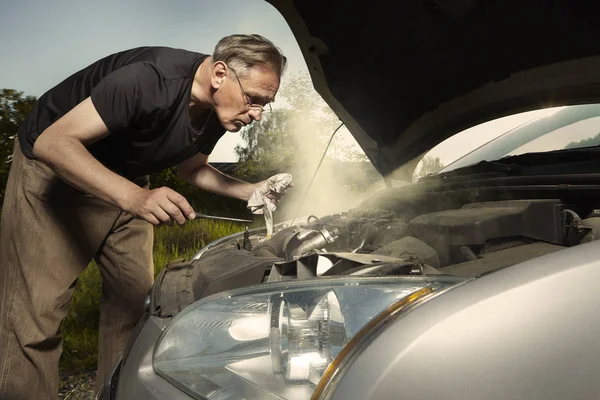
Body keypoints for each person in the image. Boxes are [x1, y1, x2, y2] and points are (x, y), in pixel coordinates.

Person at [0, 33, 292, 399]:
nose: (257, 114)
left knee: (135, 309)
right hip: (58, 171)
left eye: (266, 104)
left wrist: (249, 189)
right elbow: (52, 143)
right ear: (220, 73)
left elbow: (193, 168)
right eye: (253, 100)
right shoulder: (148, 80)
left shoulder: (220, 111)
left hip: (129, 182)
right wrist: (135, 196)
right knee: (35, 321)